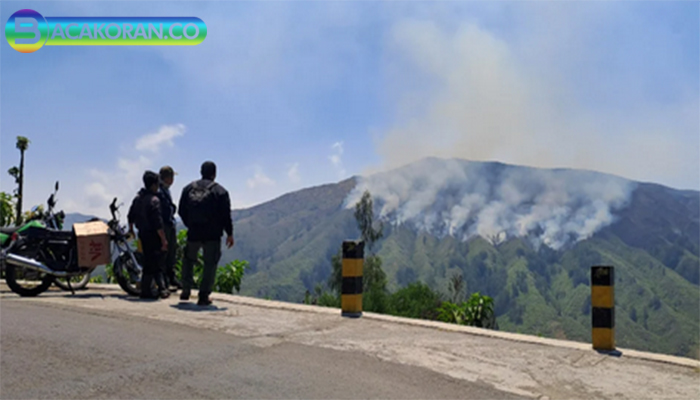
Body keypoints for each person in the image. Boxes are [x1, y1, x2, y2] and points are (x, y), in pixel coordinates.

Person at [178, 161, 234, 306]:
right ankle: (203, 296)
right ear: (214, 174)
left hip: (193, 233)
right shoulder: (220, 191)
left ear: (201, 172)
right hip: (212, 235)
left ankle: (185, 289)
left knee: (188, 260)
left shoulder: (188, 189)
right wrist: (229, 233)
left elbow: (181, 211)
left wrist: (191, 224)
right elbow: (225, 215)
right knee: (210, 264)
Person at [128, 171, 170, 300]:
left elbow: (130, 216)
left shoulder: (138, 199)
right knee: (154, 263)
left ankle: (160, 289)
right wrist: (163, 239)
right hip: (153, 235)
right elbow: (158, 223)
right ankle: (149, 290)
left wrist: (131, 230)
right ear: (153, 185)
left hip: (142, 234)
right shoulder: (154, 200)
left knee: (150, 261)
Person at [158, 165, 181, 291]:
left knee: (171, 252)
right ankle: (165, 280)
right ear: (168, 178)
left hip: (169, 223)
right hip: (165, 225)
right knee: (165, 253)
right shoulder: (160, 190)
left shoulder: (165, 190)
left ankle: (170, 277)